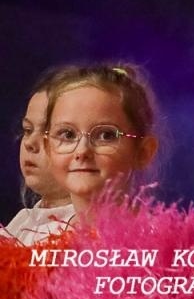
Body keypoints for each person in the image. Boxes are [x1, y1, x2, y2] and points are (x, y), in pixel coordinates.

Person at [40, 64, 161, 229]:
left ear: (143, 152)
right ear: (48, 148)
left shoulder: (167, 244)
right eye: (67, 135)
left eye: (106, 135)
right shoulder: (29, 237)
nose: (82, 151)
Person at [5, 68, 76, 244]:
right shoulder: (22, 221)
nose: (30, 143)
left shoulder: (84, 231)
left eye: (61, 133)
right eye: (28, 130)